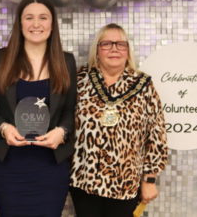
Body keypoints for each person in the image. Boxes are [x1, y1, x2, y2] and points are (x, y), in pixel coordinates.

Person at [0, 0, 77, 217]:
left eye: (43, 18)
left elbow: (70, 111)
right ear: (20, 23)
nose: (36, 24)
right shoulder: (0, 59)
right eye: (29, 18)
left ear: (52, 24)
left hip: (51, 168)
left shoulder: (66, 61)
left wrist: (61, 132)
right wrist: (3, 127)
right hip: (9, 167)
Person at [69, 23, 168, 217]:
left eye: (121, 44)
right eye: (106, 44)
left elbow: (157, 134)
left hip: (125, 183)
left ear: (128, 52)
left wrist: (149, 180)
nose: (114, 49)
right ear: (97, 51)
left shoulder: (143, 84)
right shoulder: (78, 80)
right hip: (84, 182)